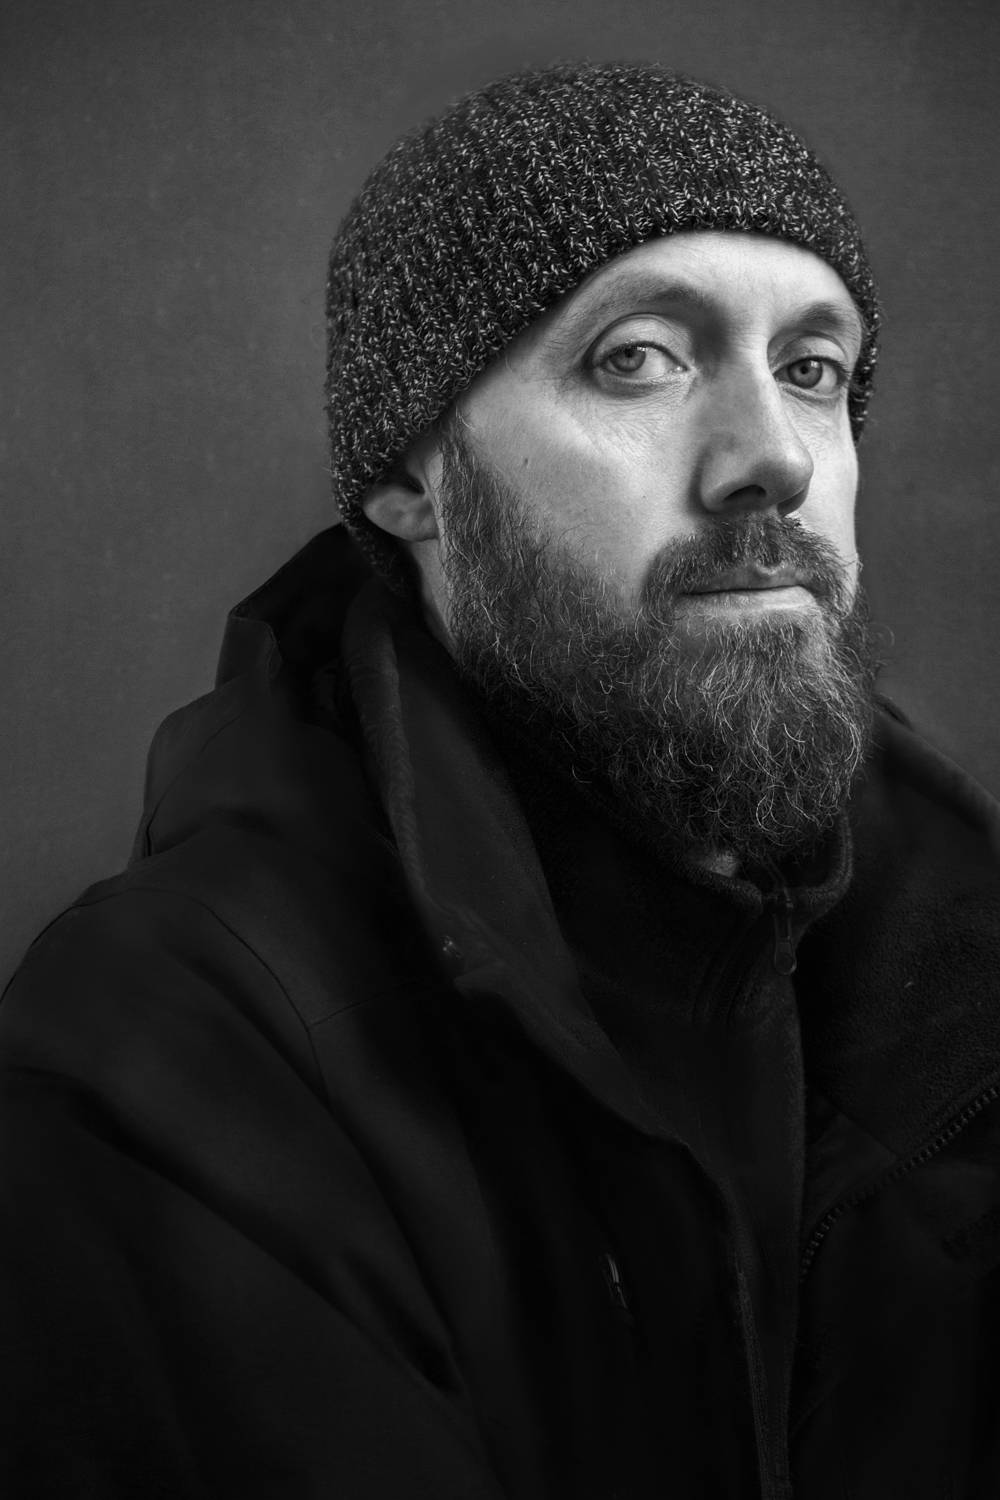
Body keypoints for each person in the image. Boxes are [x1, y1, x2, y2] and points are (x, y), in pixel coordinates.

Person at [2, 59, 1000, 1500]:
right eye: (637, 359)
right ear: (413, 479)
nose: (774, 458)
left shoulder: (961, 973)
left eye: (813, 370)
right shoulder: (165, 1056)